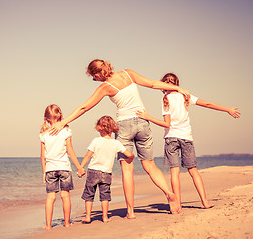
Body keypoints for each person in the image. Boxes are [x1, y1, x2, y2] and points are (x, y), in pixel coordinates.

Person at [50, 59, 191, 216]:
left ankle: (130, 211)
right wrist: (177, 88)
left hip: (124, 126)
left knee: (127, 169)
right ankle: (168, 193)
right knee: (150, 165)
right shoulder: (128, 73)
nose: (95, 80)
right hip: (143, 123)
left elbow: (84, 107)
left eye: (94, 77)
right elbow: (153, 84)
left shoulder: (105, 87)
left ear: (98, 73)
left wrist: (63, 122)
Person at [136, 73, 241, 210]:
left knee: (175, 172)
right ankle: (205, 202)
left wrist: (148, 117)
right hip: (186, 137)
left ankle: (178, 205)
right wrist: (227, 109)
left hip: (171, 138)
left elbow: (167, 124)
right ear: (177, 83)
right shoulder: (186, 96)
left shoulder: (166, 99)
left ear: (163, 85)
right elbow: (207, 104)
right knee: (193, 171)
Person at [79, 116, 134, 223]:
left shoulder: (96, 141)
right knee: (105, 195)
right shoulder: (116, 143)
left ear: (99, 128)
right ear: (113, 128)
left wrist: (81, 167)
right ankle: (105, 217)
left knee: (89, 194)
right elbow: (129, 154)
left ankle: (88, 217)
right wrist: (130, 158)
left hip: (93, 171)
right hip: (106, 173)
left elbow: (87, 156)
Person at [40, 104, 85, 229]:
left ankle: (48, 225)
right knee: (65, 196)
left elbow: (42, 156)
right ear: (60, 116)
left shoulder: (43, 134)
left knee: (50, 197)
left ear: (46, 119)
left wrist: (44, 172)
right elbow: (70, 151)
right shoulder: (66, 132)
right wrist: (79, 168)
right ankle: (66, 223)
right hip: (64, 168)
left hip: (50, 169)